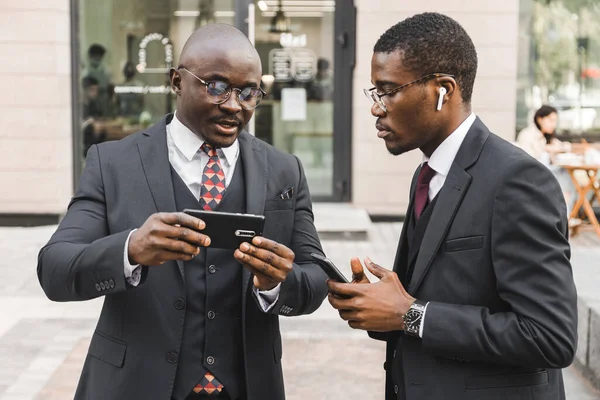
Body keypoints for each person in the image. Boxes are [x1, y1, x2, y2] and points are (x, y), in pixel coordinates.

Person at [38, 24, 328, 400]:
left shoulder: (284, 170)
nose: (234, 105)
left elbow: (317, 275)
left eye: (249, 92)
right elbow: (55, 268)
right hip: (134, 387)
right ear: (177, 81)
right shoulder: (112, 163)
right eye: (217, 87)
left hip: (247, 387)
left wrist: (277, 283)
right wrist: (129, 251)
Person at [327, 12, 577, 400]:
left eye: (389, 90)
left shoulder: (518, 181)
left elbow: (549, 337)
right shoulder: (426, 174)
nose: (377, 108)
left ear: (444, 89)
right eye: (374, 93)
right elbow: (432, 299)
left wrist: (410, 314)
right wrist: (378, 307)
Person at [517, 105, 575, 209]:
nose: (554, 124)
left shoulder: (548, 137)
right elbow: (526, 160)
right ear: (540, 119)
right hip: (534, 176)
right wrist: (546, 149)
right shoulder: (527, 135)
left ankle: (565, 215)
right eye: (551, 120)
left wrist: (553, 148)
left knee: (568, 180)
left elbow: (566, 146)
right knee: (563, 182)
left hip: (550, 176)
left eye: (555, 121)